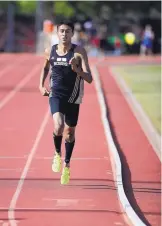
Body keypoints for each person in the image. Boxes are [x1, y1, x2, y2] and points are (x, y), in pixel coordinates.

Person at [39, 20, 93, 185]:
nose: (64, 34)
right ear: (57, 33)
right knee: (58, 126)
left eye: (67, 31)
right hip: (56, 94)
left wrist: (77, 70)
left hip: (74, 98)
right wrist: (41, 85)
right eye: (61, 31)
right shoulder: (50, 51)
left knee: (69, 133)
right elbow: (46, 67)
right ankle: (57, 154)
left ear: (72, 33)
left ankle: (67, 165)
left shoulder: (79, 52)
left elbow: (89, 78)